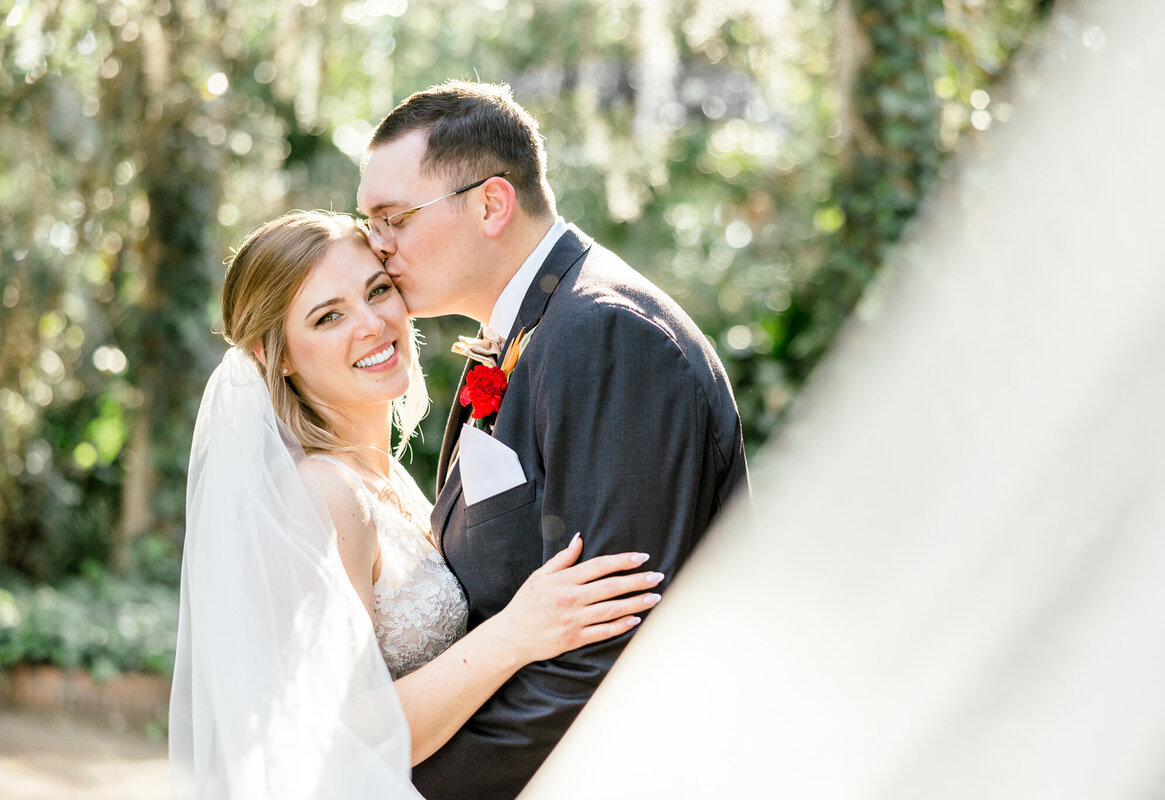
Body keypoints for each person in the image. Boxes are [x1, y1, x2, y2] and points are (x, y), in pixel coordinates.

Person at [169, 210, 663, 798]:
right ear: (276, 356)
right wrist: (518, 633)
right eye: (329, 316)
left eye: (378, 290)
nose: (373, 324)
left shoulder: (386, 480)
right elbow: (346, 732)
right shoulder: (324, 494)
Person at [356, 80, 750, 799]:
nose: (375, 249)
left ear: (491, 204)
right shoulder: (535, 330)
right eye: (367, 222)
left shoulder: (608, 333)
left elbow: (603, 646)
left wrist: (407, 785)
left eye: (393, 218)